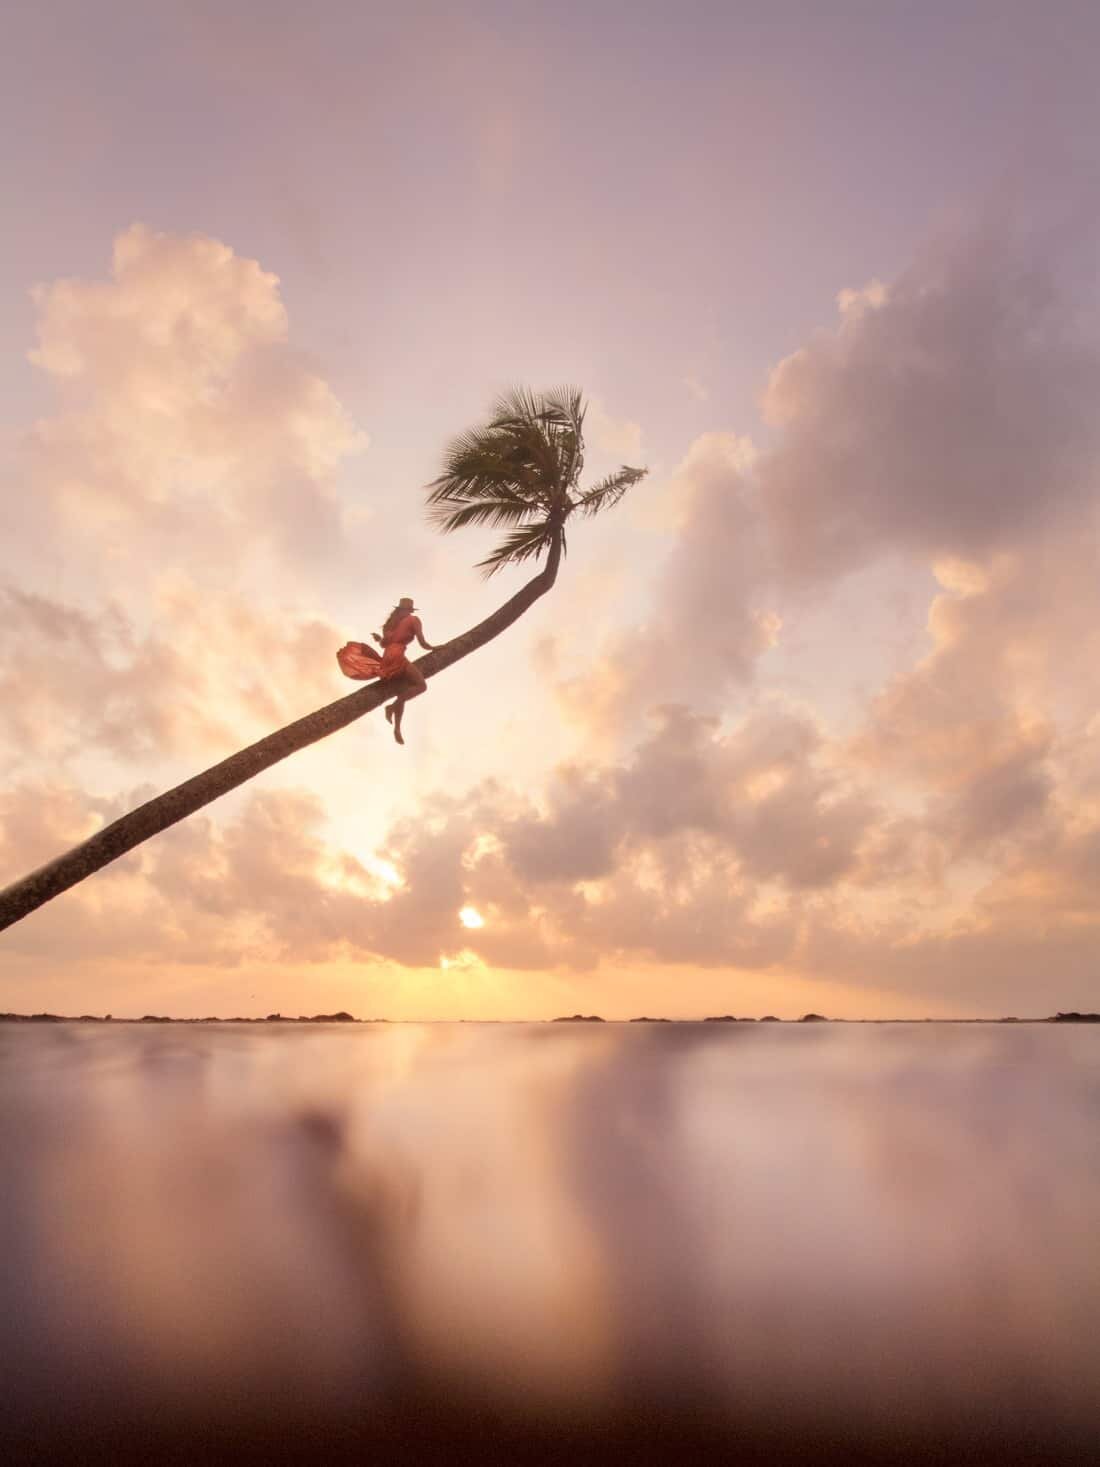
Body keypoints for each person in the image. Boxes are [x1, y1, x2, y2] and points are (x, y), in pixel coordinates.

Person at [336, 597, 435, 745]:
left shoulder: (389, 625)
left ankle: (397, 727)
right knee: (421, 686)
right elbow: (422, 642)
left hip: (387, 658)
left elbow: (384, 644)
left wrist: (378, 639)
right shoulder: (414, 620)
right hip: (397, 656)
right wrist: (435, 648)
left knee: (403, 689)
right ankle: (392, 707)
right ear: (409, 610)